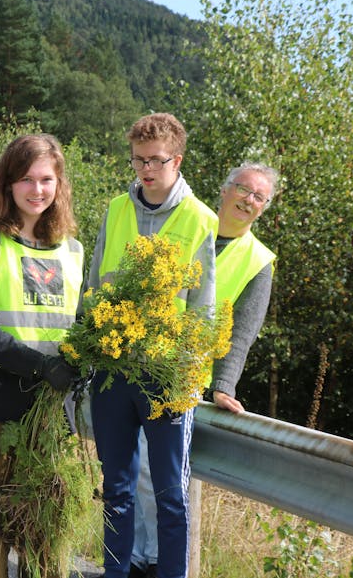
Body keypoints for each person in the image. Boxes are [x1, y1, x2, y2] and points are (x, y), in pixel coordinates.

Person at [129, 162, 279, 577]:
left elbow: (243, 332)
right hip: (143, 361)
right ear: (225, 189)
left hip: (185, 378)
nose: (248, 201)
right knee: (131, 470)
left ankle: (155, 561)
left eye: (258, 197)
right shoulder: (190, 223)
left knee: (155, 474)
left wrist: (224, 384)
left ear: (264, 208)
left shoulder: (259, 261)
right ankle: (137, 556)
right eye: (243, 190)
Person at [85, 113, 217, 578]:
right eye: (138, 160)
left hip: (166, 378)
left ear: (176, 160)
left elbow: (204, 308)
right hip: (112, 370)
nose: (144, 169)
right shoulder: (117, 208)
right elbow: (96, 280)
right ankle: (115, 573)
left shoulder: (200, 218)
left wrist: (192, 378)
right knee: (116, 488)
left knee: (170, 496)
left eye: (154, 160)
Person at [0, 133, 84, 578]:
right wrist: (43, 367)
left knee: (45, 538)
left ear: (59, 184)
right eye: (26, 179)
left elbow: (80, 326)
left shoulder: (73, 251)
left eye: (46, 179)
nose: (37, 189)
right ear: (7, 185)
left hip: (47, 417)